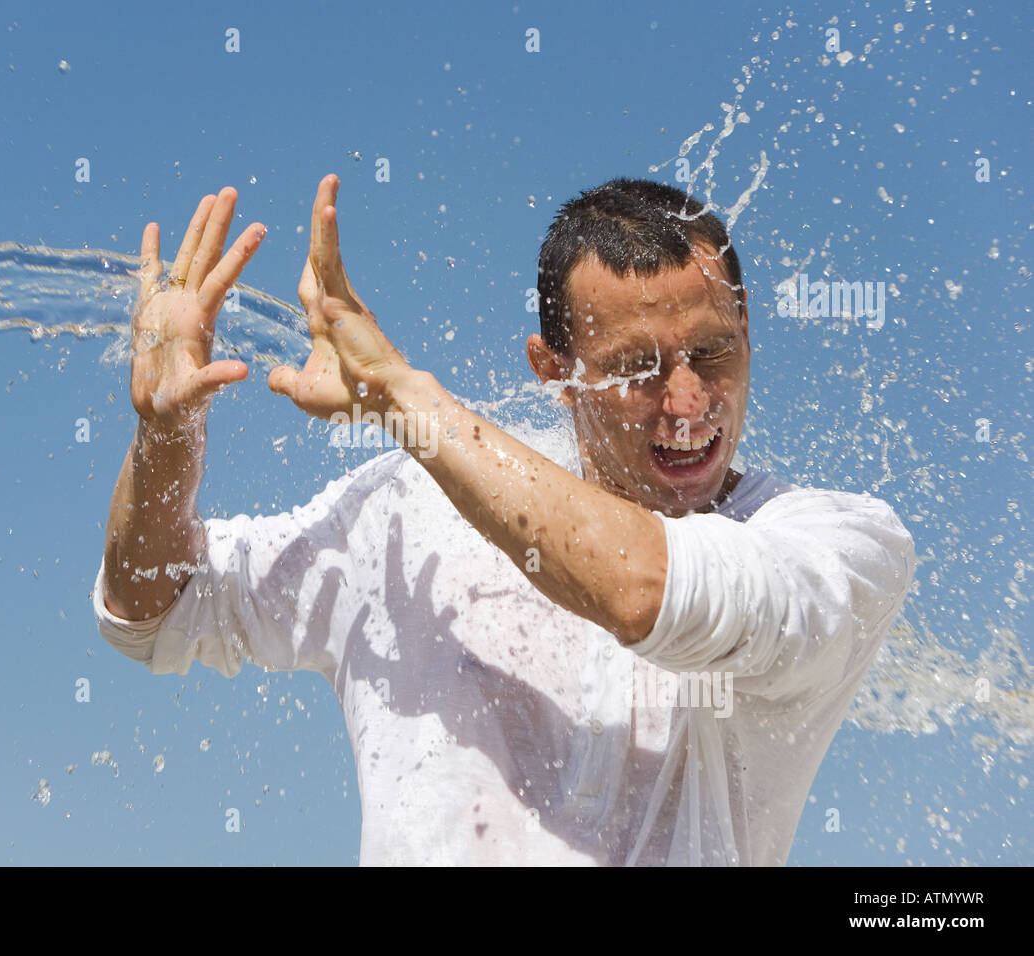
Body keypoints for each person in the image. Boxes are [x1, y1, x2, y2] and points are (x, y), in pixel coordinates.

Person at [92, 174, 916, 865]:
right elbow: (156, 611)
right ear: (554, 372)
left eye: (714, 351)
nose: (689, 402)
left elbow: (644, 590)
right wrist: (165, 437)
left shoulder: (837, 546)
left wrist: (406, 402)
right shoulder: (409, 511)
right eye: (638, 368)